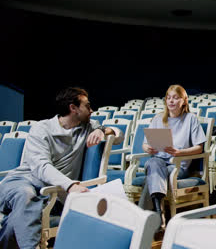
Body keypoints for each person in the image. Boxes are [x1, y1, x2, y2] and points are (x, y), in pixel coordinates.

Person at [0, 87, 124, 249]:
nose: (92, 110)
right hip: (23, 182)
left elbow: (119, 135)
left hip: (50, 191)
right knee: (26, 195)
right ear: (73, 108)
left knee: (17, 219)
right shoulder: (41, 128)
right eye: (87, 105)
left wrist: (104, 131)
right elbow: (41, 167)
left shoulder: (88, 126)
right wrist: (71, 185)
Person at [139, 84, 206, 223]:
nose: (171, 101)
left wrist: (180, 152)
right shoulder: (158, 118)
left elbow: (199, 148)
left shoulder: (190, 119)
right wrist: (148, 149)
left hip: (178, 166)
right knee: (153, 162)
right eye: (168, 98)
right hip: (157, 161)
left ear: (184, 101)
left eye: (175, 98)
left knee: (152, 175)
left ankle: (153, 215)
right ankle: (158, 212)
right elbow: (145, 144)